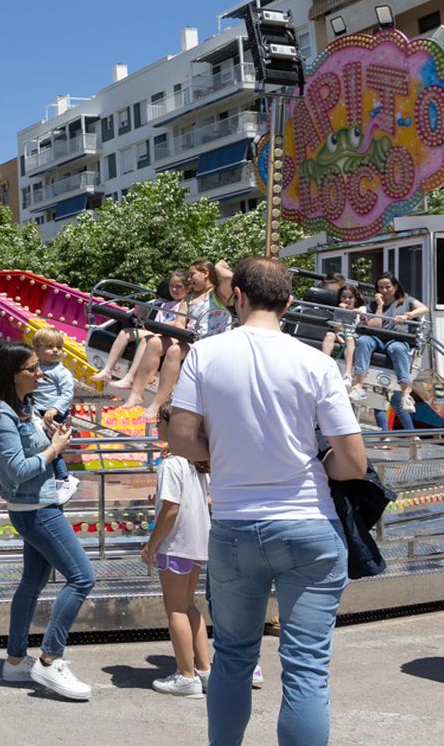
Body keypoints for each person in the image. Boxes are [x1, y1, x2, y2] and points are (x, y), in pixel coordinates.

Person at [167, 257, 367, 746]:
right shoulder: (315, 363)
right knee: (305, 669)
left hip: (235, 524)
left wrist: (223, 459)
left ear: (237, 297)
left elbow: (181, 439)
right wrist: (323, 467)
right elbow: (353, 462)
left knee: (234, 658)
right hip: (307, 525)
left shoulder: (205, 355)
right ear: (290, 303)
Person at [0, 342, 96, 701]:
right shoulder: (1, 414)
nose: (41, 373)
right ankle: (50, 658)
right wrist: (55, 450)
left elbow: (30, 451)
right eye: (33, 368)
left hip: (41, 503)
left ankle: (16, 658)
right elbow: (17, 470)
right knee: (82, 577)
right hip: (35, 509)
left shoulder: (24, 406)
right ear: (15, 374)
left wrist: (49, 431)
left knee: (32, 582)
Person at [143, 404, 213, 697]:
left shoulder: (172, 463)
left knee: (175, 609)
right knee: (189, 605)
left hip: (177, 543)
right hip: (198, 542)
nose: (156, 425)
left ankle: (186, 675)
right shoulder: (196, 463)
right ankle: (205, 670)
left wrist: (152, 544)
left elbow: (171, 509)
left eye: (159, 420)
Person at [139, 258, 233, 424]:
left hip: (213, 345)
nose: (189, 279)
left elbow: (229, 279)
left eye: (192, 275)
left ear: (206, 274)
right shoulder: (188, 299)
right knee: (154, 342)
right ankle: (137, 391)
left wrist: (217, 267)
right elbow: (180, 323)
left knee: (174, 351)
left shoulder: (218, 294)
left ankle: (157, 403)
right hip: (192, 341)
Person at [351, 274, 428, 430]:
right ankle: (358, 385)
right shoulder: (374, 305)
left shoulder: (406, 300)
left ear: (395, 287)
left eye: (388, 287)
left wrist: (408, 315)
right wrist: (379, 306)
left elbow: (425, 308)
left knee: (397, 348)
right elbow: (376, 325)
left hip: (397, 339)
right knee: (364, 341)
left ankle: (406, 394)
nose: (384, 290)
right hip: (378, 339)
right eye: (381, 287)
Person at [102, 272, 188, 404]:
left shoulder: (185, 305)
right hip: (156, 331)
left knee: (146, 340)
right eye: (171, 286)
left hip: (168, 335)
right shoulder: (164, 305)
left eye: (179, 286)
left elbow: (179, 323)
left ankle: (131, 377)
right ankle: (107, 369)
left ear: (187, 288)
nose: (174, 290)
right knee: (125, 332)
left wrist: (155, 326)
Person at [30, 327, 80, 502]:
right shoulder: (33, 367)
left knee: (52, 447)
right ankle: (50, 478)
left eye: (59, 347)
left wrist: (55, 409)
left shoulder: (61, 371)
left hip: (53, 413)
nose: (56, 350)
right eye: (50, 346)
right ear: (36, 349)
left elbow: (67, 393)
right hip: (37, 412)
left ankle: (63, 478)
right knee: (40, 446)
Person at [318, 284, 366, 374]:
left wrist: (360, 315)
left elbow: (364, 324)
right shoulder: (337, 310)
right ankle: (324, 368)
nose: (347, 300)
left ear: (355, 299)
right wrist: (342, 312)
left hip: (353, 337)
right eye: (344, 297)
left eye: (350, 297)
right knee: (329, 335)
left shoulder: (361, 309)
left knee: (349, 340)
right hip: (340, 334)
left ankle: (347, 373)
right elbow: (337, 328)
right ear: (340, 298)